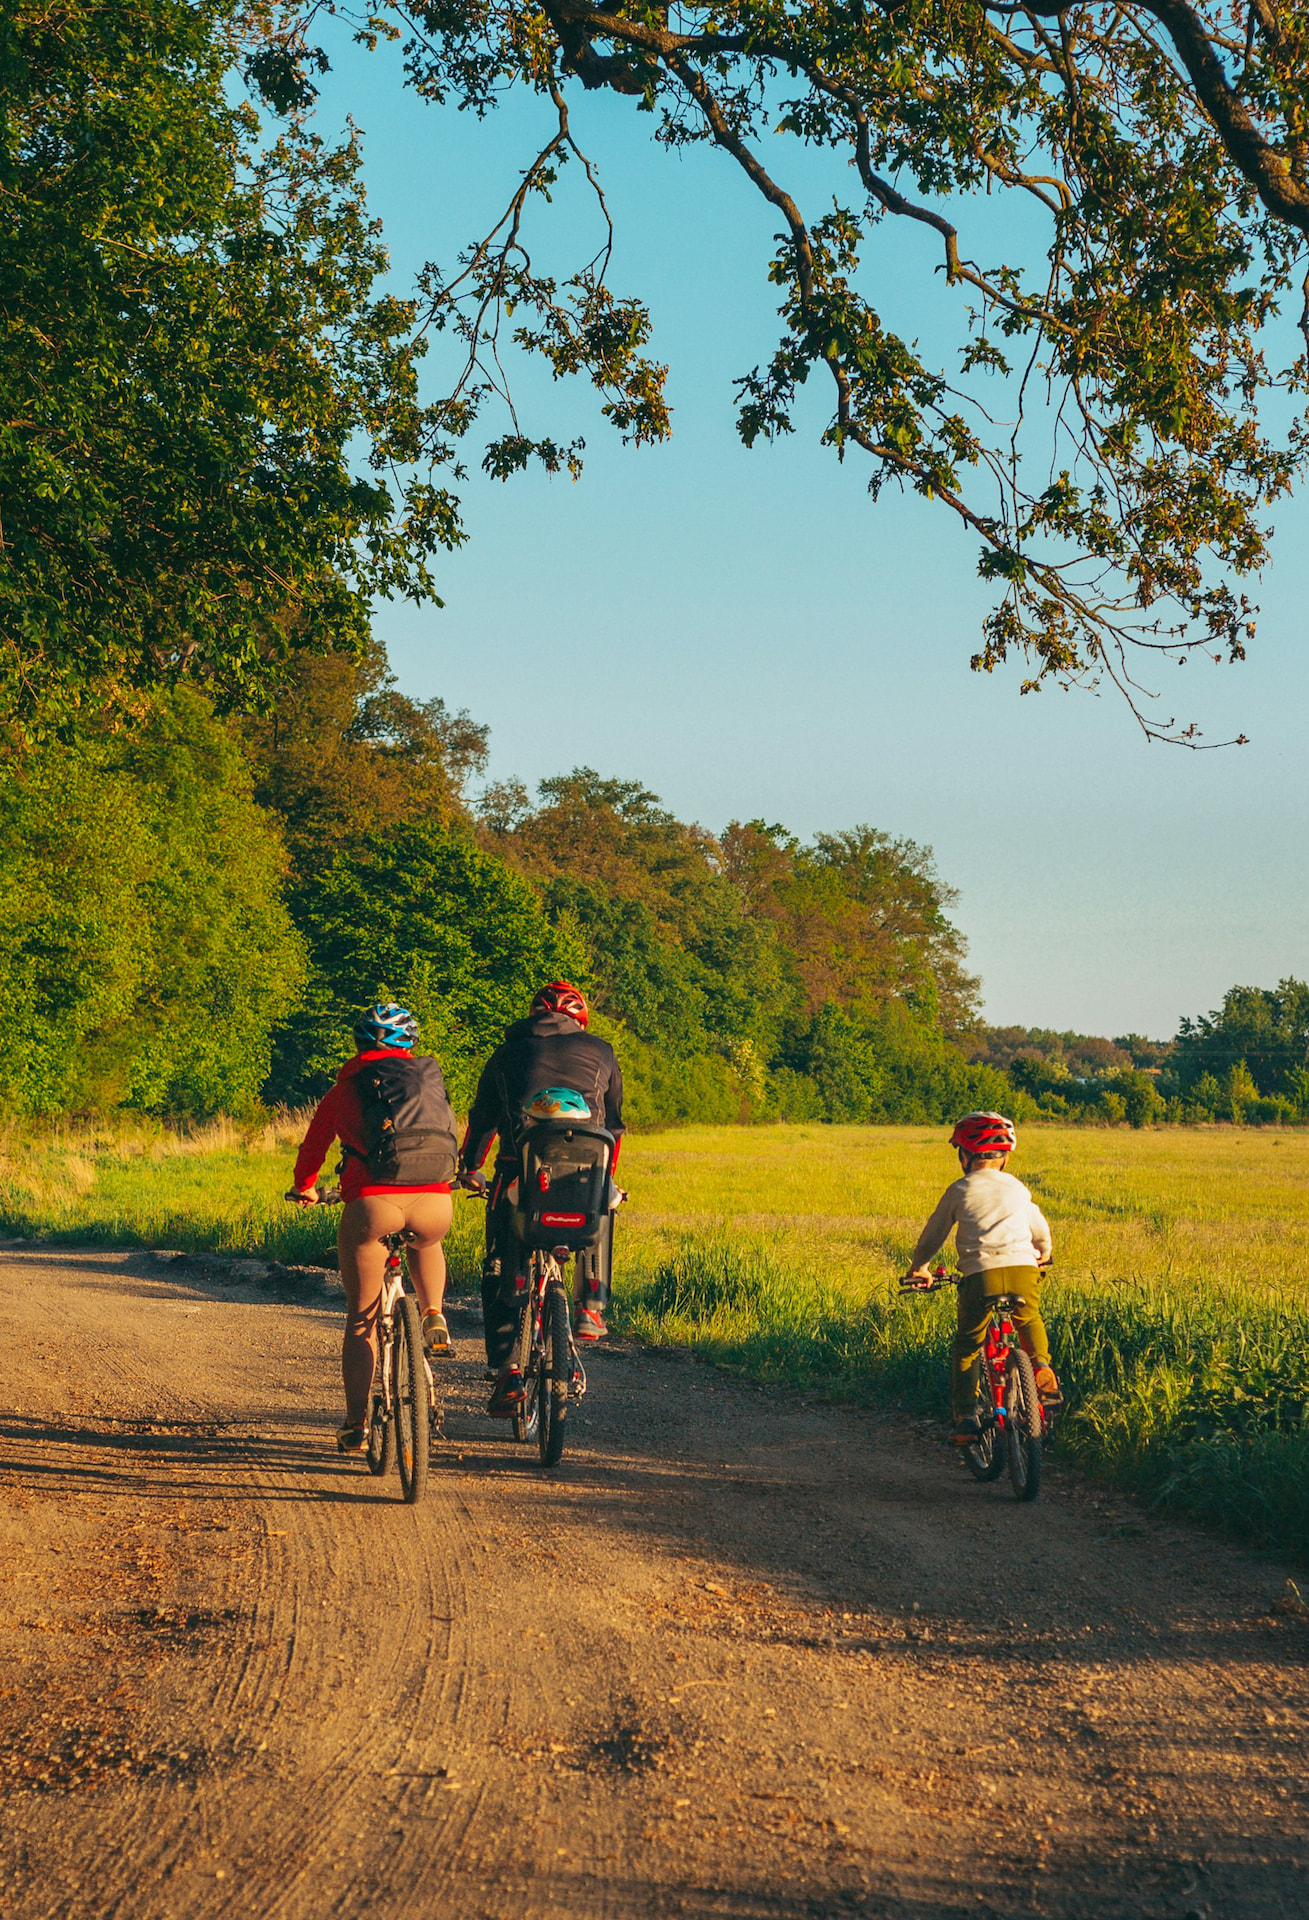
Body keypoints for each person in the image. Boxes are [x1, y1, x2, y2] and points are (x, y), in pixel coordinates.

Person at [288, 1004, 458, 1454]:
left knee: (361, 1320)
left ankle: (356, 1423)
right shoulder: (429, 1084)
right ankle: (433, 1313)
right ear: (410, 1046)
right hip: (436, 1200)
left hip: (372, 1205)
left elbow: (314, 1147)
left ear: (360, 1045)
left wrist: (305, 1188)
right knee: (428, 1240)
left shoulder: (344, 1091)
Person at [458, 981, 623, 1415]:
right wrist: (606, 1175)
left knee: (499, 1265)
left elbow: (483, 1121)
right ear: (580, 1019)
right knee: (604, 1205)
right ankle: (591, 1306)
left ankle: (508, 1371)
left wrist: (469, 1168)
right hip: (587, 1174)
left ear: (533, 1015)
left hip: (519, 1176)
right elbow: (616, 1127)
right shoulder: (603, 1051)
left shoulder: (506, 1052)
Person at [904, 1111, 1060, 1443]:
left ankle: (966, 1417)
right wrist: (1043, 1254)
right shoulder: (1017, 1188)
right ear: (1004, 1157)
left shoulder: (959, 1190)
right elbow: (1040, 1230)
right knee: (1029, 1318)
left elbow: (933, 1236)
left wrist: (920, 1267)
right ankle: (1041, 1367)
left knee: (968, 1345)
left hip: (980, 1277)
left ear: (964, 1155)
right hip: (1023, 1270)